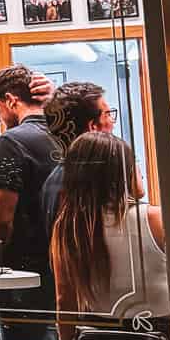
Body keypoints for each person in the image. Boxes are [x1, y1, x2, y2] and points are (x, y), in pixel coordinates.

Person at [51, 132, 168, 340]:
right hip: (157, 336)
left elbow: (64, 301)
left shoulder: (70, 227)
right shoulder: (155, 219)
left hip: (97, 339)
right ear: (123, 173)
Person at [0, 64, 59, 340]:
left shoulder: (12, 141)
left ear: (11, 101)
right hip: (65, 261)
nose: (1, 118)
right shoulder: (64, 132)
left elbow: (2, 218)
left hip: (25, 269)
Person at [41, 81, 115, 233]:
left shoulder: (54, 179)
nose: (112, 121)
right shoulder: (94, 180)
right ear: (93, 126)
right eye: (107, 114)